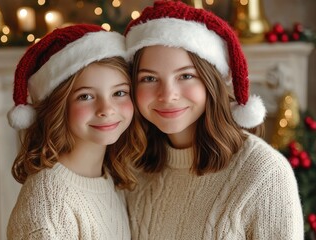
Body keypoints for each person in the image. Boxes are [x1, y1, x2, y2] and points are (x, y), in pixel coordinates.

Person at [124, 1, 304, 239]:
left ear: (212, 82)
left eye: (186, 75)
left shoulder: (264, 173)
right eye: (148, 78)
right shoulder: (132, 166)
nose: (167, 95)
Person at [6, 24, 145, 239]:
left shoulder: (110, 178)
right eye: (86, 96)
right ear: (59, 106)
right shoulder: (49, 205)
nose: (106, 110)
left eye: (119, 92)